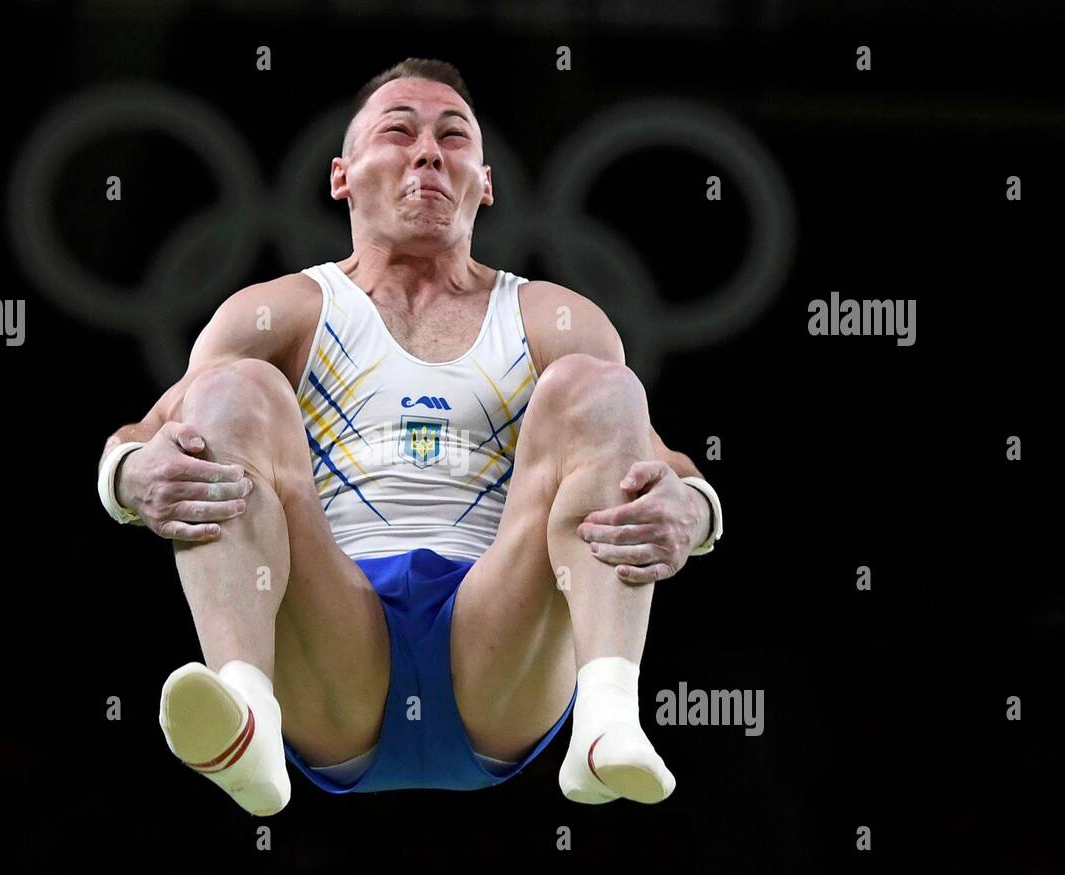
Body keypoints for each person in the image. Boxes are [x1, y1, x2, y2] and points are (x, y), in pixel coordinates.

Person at [95, 58, 723, 816]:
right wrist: (132, 475)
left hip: (500, 642)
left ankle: (609, 713)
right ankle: (248, 707)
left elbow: (658, 459)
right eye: (399, 130)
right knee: (233, 391)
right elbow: (146, 433)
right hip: (331, 643)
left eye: (453, 137)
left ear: (484, 183)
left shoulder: (553, 318)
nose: (428, 150)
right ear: (342, 176)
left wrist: (698, 510)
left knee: (600, 387)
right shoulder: (281, 311)